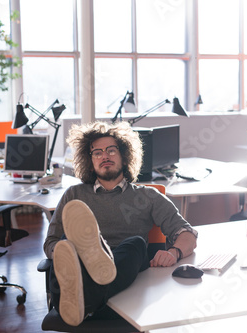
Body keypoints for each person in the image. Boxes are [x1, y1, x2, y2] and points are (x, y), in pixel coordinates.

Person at [43, 121, 197, 326]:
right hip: (77, 270)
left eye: (111, 151)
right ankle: (88, 287)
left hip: (123, 269)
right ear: (90, 162)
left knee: (136, 245)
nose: (104, 156)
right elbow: (50, 242)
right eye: (97, 153)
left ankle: (87, 297)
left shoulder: (147, 196)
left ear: (125, 157)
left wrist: (173, 252)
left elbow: (187, 233)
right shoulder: (74, 194)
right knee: (65, 242)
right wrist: (66, 253)